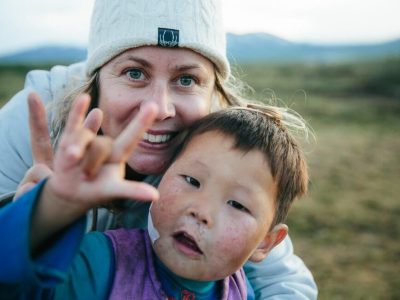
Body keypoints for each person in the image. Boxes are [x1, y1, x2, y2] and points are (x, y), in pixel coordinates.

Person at [0, 0, 317, 298]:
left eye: (187, 79)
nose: (160, 108)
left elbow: (283, 281)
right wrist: (45, 216)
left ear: (213, 93)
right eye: (134, 73)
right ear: (96, 81)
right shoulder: (29, 124)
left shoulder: (215, 143)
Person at [0, 99, 309, 299]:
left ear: (265, 244)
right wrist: (54, 207)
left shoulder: (244, 292)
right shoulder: (102, 263)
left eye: (238, 205)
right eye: (191, 181)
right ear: (160, 178)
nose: (201, 211)